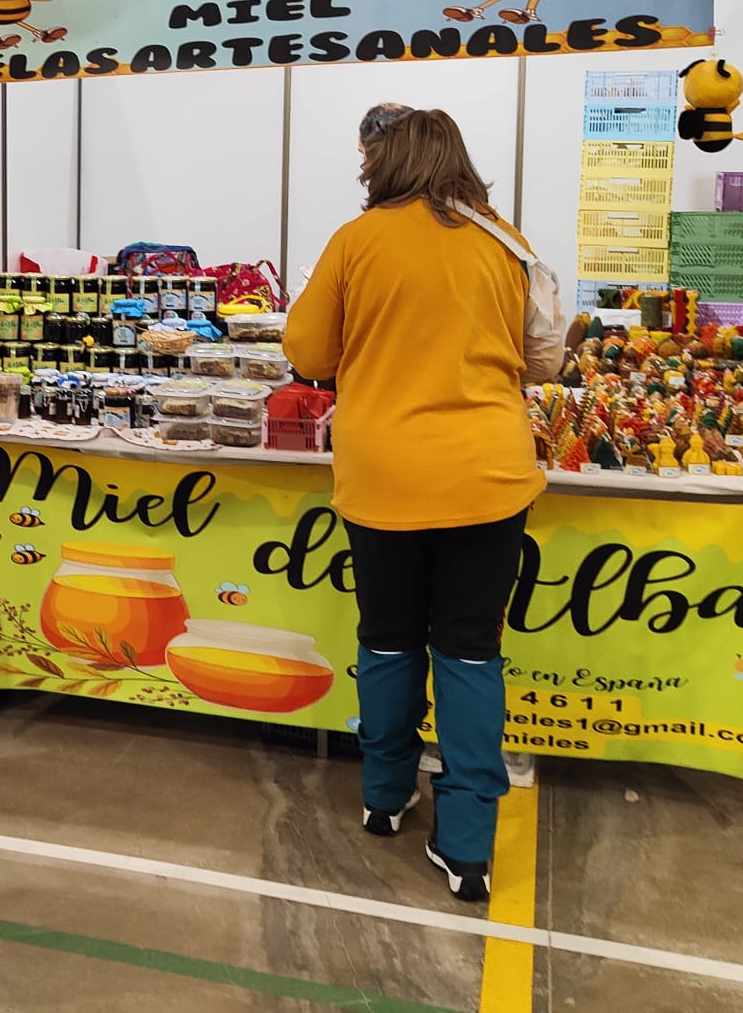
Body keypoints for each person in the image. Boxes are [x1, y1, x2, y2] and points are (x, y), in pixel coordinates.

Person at [283, 104, 544, 906]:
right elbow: (545, 353)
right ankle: (468, 847)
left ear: (384, 164)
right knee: (469, 652)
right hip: (490, 478)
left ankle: (385, 798)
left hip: (384, 477)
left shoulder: (357, 241)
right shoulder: (506, 241)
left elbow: (307, 351)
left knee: (388, 640)